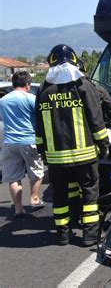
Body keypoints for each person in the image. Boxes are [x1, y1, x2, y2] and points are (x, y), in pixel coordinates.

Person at [35, 44, 109, 246]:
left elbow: (39, 126)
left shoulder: (43, 89)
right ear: (75, 61)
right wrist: (104, 145)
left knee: (59, 197)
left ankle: (62, 235)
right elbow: (96, 120)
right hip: (85, 156)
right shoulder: (83, 86)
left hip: (56, 158)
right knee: (89, 194)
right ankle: (90, 235)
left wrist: (43, 152)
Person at [0, 71, 44, 217]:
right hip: (29, 140)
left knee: (13, 177)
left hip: (9, 142)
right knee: (36, 172)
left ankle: (18, 208)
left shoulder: (3, 100)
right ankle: (34, 198)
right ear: (28, 84)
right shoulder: (31, 98)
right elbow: (40, 117)